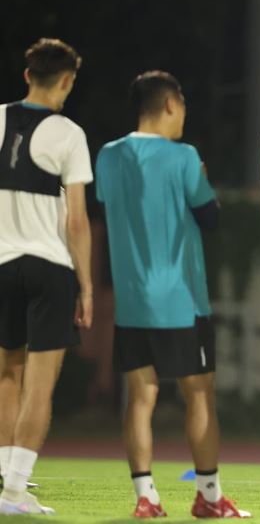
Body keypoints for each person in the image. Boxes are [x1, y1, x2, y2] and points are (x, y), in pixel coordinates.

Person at [96, 71, 248, 519]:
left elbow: (112, 211)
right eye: (181, 107)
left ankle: (146, 497)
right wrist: (200, 177)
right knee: (200, 394)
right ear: (169, 105)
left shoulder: (107, 156)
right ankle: (209, 496)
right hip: (181, 299)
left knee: (140, 395)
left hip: (132, 300)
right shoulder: (184, 156)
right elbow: (210, 216)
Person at [0, 38, 93, 515]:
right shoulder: (68, 133)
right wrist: (89, 285)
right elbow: (76, 220)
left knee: (6, 375)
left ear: (26, 75)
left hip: (1, 265)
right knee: (39, 383)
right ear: (67, 81)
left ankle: (3, 480)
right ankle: (15, 491)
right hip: (49, 266)